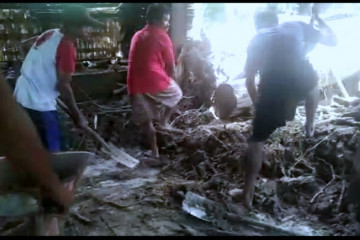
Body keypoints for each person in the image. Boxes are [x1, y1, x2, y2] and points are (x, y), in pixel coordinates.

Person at [243, 8, 337, 209]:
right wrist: (319, 20)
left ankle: (247, 195)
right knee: (312, 80)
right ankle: (309, 125)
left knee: (257, 141)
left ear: (257, 25)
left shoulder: (256, 39)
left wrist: (258, 107)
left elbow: (250, 80)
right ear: (276, 21)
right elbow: (333, 40)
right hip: (300, 79)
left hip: (273, 85)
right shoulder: (295, 25)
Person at [14, 6, 104, 152]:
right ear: (73, 26)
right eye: (85, 27)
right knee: (55, 149)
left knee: (34, 143)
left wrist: (32, 73)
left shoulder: (50, 34)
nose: (88, 31)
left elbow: (24, 46)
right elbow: (64, 86)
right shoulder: (67, 47)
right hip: (38, 103)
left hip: (21, 95)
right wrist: (78, 116)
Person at [127, 3, 183, 158]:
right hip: (154, 81)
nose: (168, 24)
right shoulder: (162, 36)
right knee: (177, 93)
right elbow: (171, 67)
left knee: (147, 122)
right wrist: (169, 80)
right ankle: (164, 122)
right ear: (158, 20)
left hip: (133, 85)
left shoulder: (137, 35)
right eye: (166, 20)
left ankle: (155, 153)